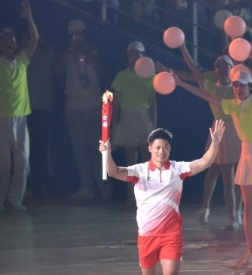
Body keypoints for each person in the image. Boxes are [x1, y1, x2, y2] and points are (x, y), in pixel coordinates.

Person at [100, 121, 226, 275]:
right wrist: (107, 152)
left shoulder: (178, 169)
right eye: (157, 147)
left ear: (170, 149)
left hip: (171, 235)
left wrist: (215, 143)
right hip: (147, 236)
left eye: (166, 147)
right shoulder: (139, 171)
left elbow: (205, 162)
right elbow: (113, 171)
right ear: (150, 148)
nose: (161, 151)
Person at [176, 68, 252, 266]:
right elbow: (205, 95)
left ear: (249, 86)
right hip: (248, 155)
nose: (238, 88)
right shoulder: (232, 105)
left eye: (242, 85)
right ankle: (251, 251)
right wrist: (180, 83)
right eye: (235, 85)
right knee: (249, 206)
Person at [0, 0, 38, 211]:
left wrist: (28, 18)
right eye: (5, 39)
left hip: (20, 117)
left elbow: (35, 39)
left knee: (23, 163)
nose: (10, 42)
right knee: (3, 165)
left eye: (12, 39)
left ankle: (15, 199)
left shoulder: (22, 61)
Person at [177, 45, 241, 230]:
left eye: (226, 66)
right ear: (215, 70)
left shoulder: (238, 88)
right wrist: (183, 47)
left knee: (238, 175)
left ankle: (236, 211)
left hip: (239, 131)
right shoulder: (211, 87)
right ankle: (216, 211)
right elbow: (193, 69)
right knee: (219, 173)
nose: (223, 69)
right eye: (219, 66)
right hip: (220, 130)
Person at [56, 19, 109, 201]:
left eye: (80, 34)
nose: (77, 38)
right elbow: (58, 72)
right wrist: (68, 51)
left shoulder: (94, 50)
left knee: (96, 150)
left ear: (85, 34)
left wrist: (87, 53)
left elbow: (103, 72)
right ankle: (86, 187)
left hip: (93, 106)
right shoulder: (66, 53)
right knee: (79, 150)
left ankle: (104, 188)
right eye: (73, 35)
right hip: (73, 107)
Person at [111, 41, 157, 205]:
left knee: (147, 160)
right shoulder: (122, 76)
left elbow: (153, 102)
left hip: (144, 119)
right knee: (131, 160)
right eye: (132, 54)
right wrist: (114, 125)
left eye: (138, 54)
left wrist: (154, 126)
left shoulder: (151, 76)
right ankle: (131, 196)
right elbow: (116, 103)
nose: (135, 57)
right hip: (128, 118)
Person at [25, 28, 56, 199]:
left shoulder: (47, 54)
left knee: (42, 148)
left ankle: (43, 184)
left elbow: (58, 64)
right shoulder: (26, 55)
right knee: (27, 149)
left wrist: (45, 43)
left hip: (44, 107)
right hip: (27, 108)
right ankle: (29, 184)